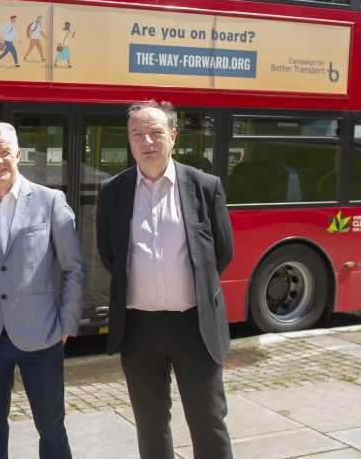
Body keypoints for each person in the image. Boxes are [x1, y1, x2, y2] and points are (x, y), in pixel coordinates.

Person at [96, 100, 234, 459]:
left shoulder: (204, 186)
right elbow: (111, 255)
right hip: (138, 330)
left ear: (172, 136)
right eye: (137, 134)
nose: (147, 142)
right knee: (150, 425)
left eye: (156, 132)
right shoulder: (113, 191)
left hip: (195, 326)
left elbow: (221, 253)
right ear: (129, 142)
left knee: (208, 421)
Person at [0, 122, 87, 459]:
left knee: (51, 427)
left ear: (18, 154)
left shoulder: (50, 201)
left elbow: (74, 268)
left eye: (4, 153)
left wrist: (66, 325)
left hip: (41, 334)